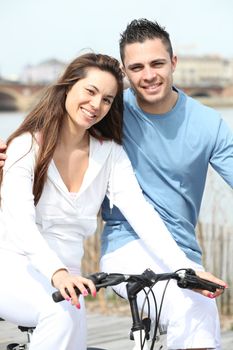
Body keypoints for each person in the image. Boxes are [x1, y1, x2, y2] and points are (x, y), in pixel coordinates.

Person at [0, 52, 225, 350]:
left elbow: (141, 213)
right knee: (60, 315)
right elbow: (20, 221)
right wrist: (56, 271)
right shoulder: (27, 145)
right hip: (17, 268)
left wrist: (186, 268)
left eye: (107, 99)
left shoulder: (109, 153)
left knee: (68, 314)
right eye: (90, 91)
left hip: (71, 280)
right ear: (68, 87)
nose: (96, 105)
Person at [100, 19, 233, 350]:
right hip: (124, 245)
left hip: (184, 252)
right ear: (125, 72)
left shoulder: (207, 123)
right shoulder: (110, 111)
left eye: (157, 63)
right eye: (137, 67)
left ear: (174, 62)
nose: (148, 75)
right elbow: (61, 125)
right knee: (196, 308)